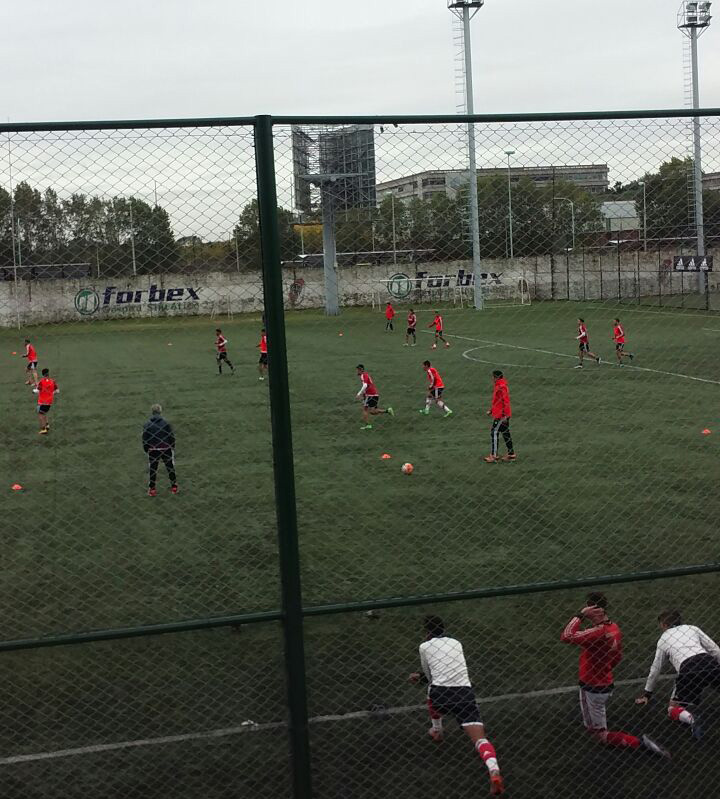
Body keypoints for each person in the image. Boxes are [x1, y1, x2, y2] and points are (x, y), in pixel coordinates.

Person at [561, 592, 670, 757]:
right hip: (606, 682)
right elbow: (618, 656)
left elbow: (566, 636)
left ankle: (640, 745)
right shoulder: (614, 628)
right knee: (599, 714)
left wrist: (580, 615)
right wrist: (604, 667)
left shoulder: (597, 633)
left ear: (591, 608)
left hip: (591, 687)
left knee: (599, 735)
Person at [409, 615, 505, 796]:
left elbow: (430, 676)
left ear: (426, 632)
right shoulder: (456, 643)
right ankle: (493, 770)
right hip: (464, 693)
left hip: (441, 695)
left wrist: (418, 677)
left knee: (431, 689)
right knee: (480, 740)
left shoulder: (424, 646)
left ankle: (436, 730)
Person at [635, 609, 720, 740]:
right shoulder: (692, 628)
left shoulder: (663, 639)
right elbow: (715, 650)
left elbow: (656, 669)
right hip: (708, 662)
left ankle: (692, 719)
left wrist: (647, 693)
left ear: (663, 625)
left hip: (688, 670)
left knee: (673, 708)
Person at [142, 404, 178, 496]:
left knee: (153, 469)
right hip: (166, 448)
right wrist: (172, 446)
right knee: (170, 468)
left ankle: (152, 489)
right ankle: (174, 487)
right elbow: (171, 436)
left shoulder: (147, 424)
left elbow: (145, 438)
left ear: (152, 412)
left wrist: (147, 449)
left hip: (153, 449)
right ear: (160, 412)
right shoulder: (166, 423)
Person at [483, 370, 515, 463]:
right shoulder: (498, 385)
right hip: (500, 413)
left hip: (501, 416)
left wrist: (505, 415)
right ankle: (511, 454)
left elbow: (506, 402)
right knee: (505, 433)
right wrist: (491, 410)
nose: (492, 379)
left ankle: (494, 455)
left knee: (494, 432)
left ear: (496, 377)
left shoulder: (501, 387)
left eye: (493, 377)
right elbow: (498, 401)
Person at [356, 364, 394, 430]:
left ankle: (368, 425)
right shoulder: (366, 374)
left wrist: (359, 393)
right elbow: (368, 386)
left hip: (371, 395)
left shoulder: (363, 375)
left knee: (365, 409)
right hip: (374, 395)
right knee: (372, 411)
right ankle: (388, 411)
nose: (357, 371)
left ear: (361, 370)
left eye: (357, 370)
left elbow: (365, 385)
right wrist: (364, 395)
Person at [33, 368, 59, 435]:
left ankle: (43, 429)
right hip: (49, 401)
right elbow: (57, 391)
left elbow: (37, 390)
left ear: (42, 374)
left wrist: (33, 391)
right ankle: (47, 425)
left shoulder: (41, 382)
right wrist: (50, 393)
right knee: (44, 413)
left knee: (40, 414)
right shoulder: (52, 381)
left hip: (42, 401)